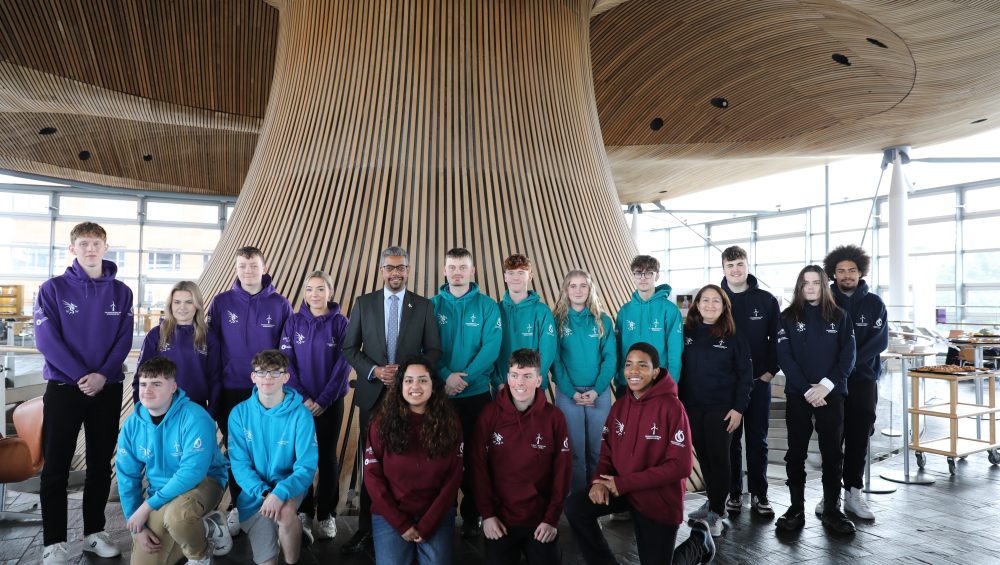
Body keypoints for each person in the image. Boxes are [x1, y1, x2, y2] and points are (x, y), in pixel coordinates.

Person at [34, 221, 133, 564]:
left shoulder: (122, 292)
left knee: (100, 465)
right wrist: (81, 376)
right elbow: (45, 340)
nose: (90, 249)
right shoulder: (52, 289)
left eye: (96, 243)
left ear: (106, 247)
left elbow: (124, 339)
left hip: (107, 388)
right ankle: (54, 543)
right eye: (84, 243)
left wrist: (103, 376)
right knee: (56, 467)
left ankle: (94, 533)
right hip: (64, 388)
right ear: (72, 249)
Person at [564, 343, 716, 565]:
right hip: (624, 489)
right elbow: (606, 450)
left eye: (642, 365)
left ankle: (698, 542)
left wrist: (623, 483)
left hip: (658, 499)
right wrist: (598, 480)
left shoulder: (672, 408)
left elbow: (680, 466)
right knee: (575, 507)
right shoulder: (620, 406)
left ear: (655, 372)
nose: (633, 371)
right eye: (629, 365)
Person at [341, 246, 442, 553]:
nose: (395, 273)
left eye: (401, 268)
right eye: (390, 267)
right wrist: (373, 370)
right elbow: (349, 349)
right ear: (381, 270)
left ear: (408, 270)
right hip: (373, 396)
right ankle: (366, 529)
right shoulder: (364, 303)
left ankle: (405, 523)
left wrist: (408, 374)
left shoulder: (423, 306)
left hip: (411, 399)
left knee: (406, 462)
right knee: (371, 464)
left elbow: (435, 352)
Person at [207, 246, 292, 534]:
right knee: (237, 451)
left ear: (264, 268)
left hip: (268, 390)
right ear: (236, 268)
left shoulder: (280, 304)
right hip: (232, 388)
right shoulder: (221, 303)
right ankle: (237, 506)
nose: (248, 271)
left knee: (267, 449)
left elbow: (286, 351)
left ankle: (268, 503)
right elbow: (213, 348)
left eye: (253, 265)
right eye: (242, 265)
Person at [117, 357, 232, 565]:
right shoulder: (132, 424)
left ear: (173, 387)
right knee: (148, 557)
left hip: (204, 482)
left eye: (156, 384)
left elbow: (192, 472)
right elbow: (127, 478)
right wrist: (138, 529)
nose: (147, 390)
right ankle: (204, 527)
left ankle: (201, 555)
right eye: (143, 384)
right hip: (161, 492)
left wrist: (147, 507)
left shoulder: (195, 417)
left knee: (178, 517)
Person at [774, 266, 856, 535]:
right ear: (799, 287)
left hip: (831, 395)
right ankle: (796, 508)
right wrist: (807, 389)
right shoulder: (786, 318)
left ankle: (832, 508)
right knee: (795, 452)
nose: (810, 287)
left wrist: (825, 386)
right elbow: (784, 356)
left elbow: (848, 356)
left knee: (832, 453)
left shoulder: (840, 317)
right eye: (805, 283)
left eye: (815, 283)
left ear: (824, 286)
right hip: (799, 395)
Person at [470, 349, 572, 565]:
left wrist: (552, 520)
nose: (520, 383)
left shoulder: (555, 418)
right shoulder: (489, 415)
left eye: (527, 376)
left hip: (540, 521)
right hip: (500, 521)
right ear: (507, 378)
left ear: (539, 380)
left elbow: (563, 472)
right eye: (515, 375)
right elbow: (478, 468)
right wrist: (487, 515)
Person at [431, 247, 503, 538]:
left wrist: (465, 378)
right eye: (452, 267)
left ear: (473, 271)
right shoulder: (432, 305)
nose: (457, 272)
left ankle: (473, 515)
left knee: (477, 458)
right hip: (441, 396)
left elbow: (492, 347)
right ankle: (442, 515)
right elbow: (426, 347)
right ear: (445, 270)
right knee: (442, 458)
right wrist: (447, 376)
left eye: (463, 267)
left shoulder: (487, 306)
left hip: (476, 396)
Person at [364, 358, 464, 565]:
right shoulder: (381, 423)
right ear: (400, 385)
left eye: (422, 380)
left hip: (436, 513)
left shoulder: (450, 423)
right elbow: (372, 478)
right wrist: (400, 524)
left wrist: (429, 523)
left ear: (433, 385)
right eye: (408, 380)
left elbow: (454, 478)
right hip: (390, 515)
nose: (415, 386)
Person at [279, 270, 352, 542]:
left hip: (330, 403)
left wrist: (323, 400)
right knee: (301, 458)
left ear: (329, 292)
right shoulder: (293, 322)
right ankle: (305, 511)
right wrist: (304, 398)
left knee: (327, 458)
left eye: (320, 289)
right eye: (310, 289)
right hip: (299, 404)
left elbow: (343, 365)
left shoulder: (341, 323)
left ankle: (326, 515)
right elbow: (287, 361)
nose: (314, 294)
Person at [227, 350, 319, 565]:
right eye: (261, 372)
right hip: (255, 495)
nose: (267, 378)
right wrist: (266, 493)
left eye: (275, 373)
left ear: (285, 377)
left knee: (286, 513)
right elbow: (240, 466)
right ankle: (277, 537)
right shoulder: (239, 413)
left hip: (288, 487)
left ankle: (292, 559)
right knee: (267, 562)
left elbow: (306, 467)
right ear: (253, 377)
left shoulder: (301, 415)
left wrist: (279, 493)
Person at [679, 285, 753, 537]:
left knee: (720, 458)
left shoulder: (734, 337)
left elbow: (746, 377)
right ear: (697, 304)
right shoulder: (685, 332)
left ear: (724, 307)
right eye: (705, 300)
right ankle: (712, 501)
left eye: (716, 301)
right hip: (692, 407)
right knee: (705, 458)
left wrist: (738, 409)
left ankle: (718, 513)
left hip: (722, 408)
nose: (710, 305)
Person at [821, 245, 888, 520]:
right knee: (831, 439)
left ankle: (853, 491)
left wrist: (847, 364)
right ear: (833, 274)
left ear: (860, 271)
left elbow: (878, 342)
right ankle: (830, 495)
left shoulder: (874, 303)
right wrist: (835, 371)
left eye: (851, 270)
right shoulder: (824, 301)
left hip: (863, 380)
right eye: (840, 271)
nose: (846, 275)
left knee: (859, 436)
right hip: (831, 383)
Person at [718, 246, 780, 516]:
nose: (735, 270)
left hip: (758, 382)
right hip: (727, 386)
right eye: (730, 265)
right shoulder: (715, 300)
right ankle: (733, 492)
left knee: (758, 439)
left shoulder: (766, 300)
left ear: (747, 265)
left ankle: (759, 494)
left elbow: (779, 340)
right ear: (723, 269)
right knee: (730, 440)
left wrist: (769, 373)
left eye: (740, 264)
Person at [551, 270, 617, 493]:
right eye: (573, 286)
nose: (578, 290)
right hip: (569, 394)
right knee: (575, 450)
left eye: (583, 286)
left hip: (599, 393)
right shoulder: (557, 320)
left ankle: (597, 496)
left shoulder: (603, 320)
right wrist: (571, 392)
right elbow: (555, 360)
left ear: (590, 290)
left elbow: (611, 358)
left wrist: (597, 390)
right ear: (565, 290)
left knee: (598, 450)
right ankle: (577, 498)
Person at [135, 281, 220, 415]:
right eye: (177, 302)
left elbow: (215, 378)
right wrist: (140, 410)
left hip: (196, 408)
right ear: (170, 305)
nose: (182, 307)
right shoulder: (156, 334)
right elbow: (140, 375)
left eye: (189, 302)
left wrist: (212, 412)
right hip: (161, 408)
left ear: (197, 305)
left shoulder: (209, 337)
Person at [615, 255, 683, 391]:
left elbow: (675, 354)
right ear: (633, 276)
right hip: (627, 382)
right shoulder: (625, 310)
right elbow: (617, 348)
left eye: (648, 273)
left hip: (657, 383)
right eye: (638, 273)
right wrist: (619, 379)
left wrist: (671, 385)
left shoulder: (670, 310)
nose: (643, 278)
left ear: (656, 276)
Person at [493, 254, 557, 391]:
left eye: (521, 273)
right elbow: (489, 349)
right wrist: (497, 382)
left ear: (530, 276)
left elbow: (548, 351)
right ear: (505, 277)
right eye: (511, 273)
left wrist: (533, 380)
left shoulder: (542, 311)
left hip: (533, 387)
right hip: (502, 386)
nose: (515, 277)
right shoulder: (495, 311)